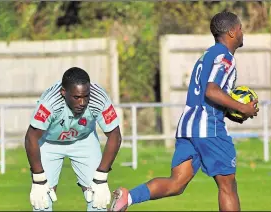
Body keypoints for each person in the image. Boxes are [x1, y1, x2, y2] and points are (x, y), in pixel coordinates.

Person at [110, 11, 258, 211]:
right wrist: (242, 107)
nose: (242, 32)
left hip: (188, 125)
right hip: (209, 127)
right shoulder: (225, 58)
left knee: (177, 183)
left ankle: (128, 198)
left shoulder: (207, 55)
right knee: (227, 185)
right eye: (240, 28)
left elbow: (207, 94)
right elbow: (211, 90)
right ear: (232, 33)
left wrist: (232, 112)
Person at [25, 67, 122, 211]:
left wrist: (101, 176)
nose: (82, 102)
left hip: (83, 140)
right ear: (64, 93)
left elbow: (115, 136)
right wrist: (38, 179)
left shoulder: (98, 98)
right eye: (77, 97)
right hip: (49, 142)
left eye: (86, 96)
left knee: (98, 198)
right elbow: (31, 137)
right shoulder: (50, 103)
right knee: (42, 201)